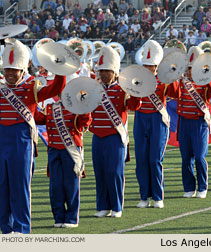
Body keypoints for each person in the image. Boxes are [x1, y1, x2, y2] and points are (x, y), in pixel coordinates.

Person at [0, 39, 66, 234]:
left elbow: (54, 90)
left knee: (20, 187)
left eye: (14, 70)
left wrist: (59, 69)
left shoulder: (31, 87)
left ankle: (21, 229)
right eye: (7, 69)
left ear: (22, 70)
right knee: (2, 187)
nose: (10, 73)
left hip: (21, 142)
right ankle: (5, 228)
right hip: (1, 141)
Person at [90, 46, 141, 218]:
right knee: (100, 172)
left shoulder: (122, 89)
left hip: (115, 137)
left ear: (114, 72)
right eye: (101, 71)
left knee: (114, 172)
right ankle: (103, 206)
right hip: (97, 136)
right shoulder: (93, 88)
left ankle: (117, 206)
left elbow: (133, 106)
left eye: (107, 71)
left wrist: (135, 92)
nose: (103, 74)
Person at [34, 87, 91, 228]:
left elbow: (85, 122)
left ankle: (71, 218)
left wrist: (85, 105)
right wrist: (33, 99)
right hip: (54, 150)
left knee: (71, 186)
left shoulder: (78, 109)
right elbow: (36, 118)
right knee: (55, 186)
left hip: (71, 151)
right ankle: (58, 217)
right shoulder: (50, 108)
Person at [134, 40, 180, 208]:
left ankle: (158, 196)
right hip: (140, 119)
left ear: (156, 66)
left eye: (151, 66)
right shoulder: (137, 80)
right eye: (145, 65)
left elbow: (176, 94)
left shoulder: (163, 80)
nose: (148, 69)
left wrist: (172, 76)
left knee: (154, 159)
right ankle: (144, 196)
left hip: (157, 120)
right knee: (141, 159)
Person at [177, 46, 211, 198]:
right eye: (189, 68)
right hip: (184, 123)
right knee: (186, 158)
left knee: (200, 157)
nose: (190, 71)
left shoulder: (205, 82)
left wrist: (207, 76)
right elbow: (173, 92)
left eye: (193, 68)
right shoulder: (182, 82)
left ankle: (202, 186)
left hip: (199, 123)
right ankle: (189, 187)